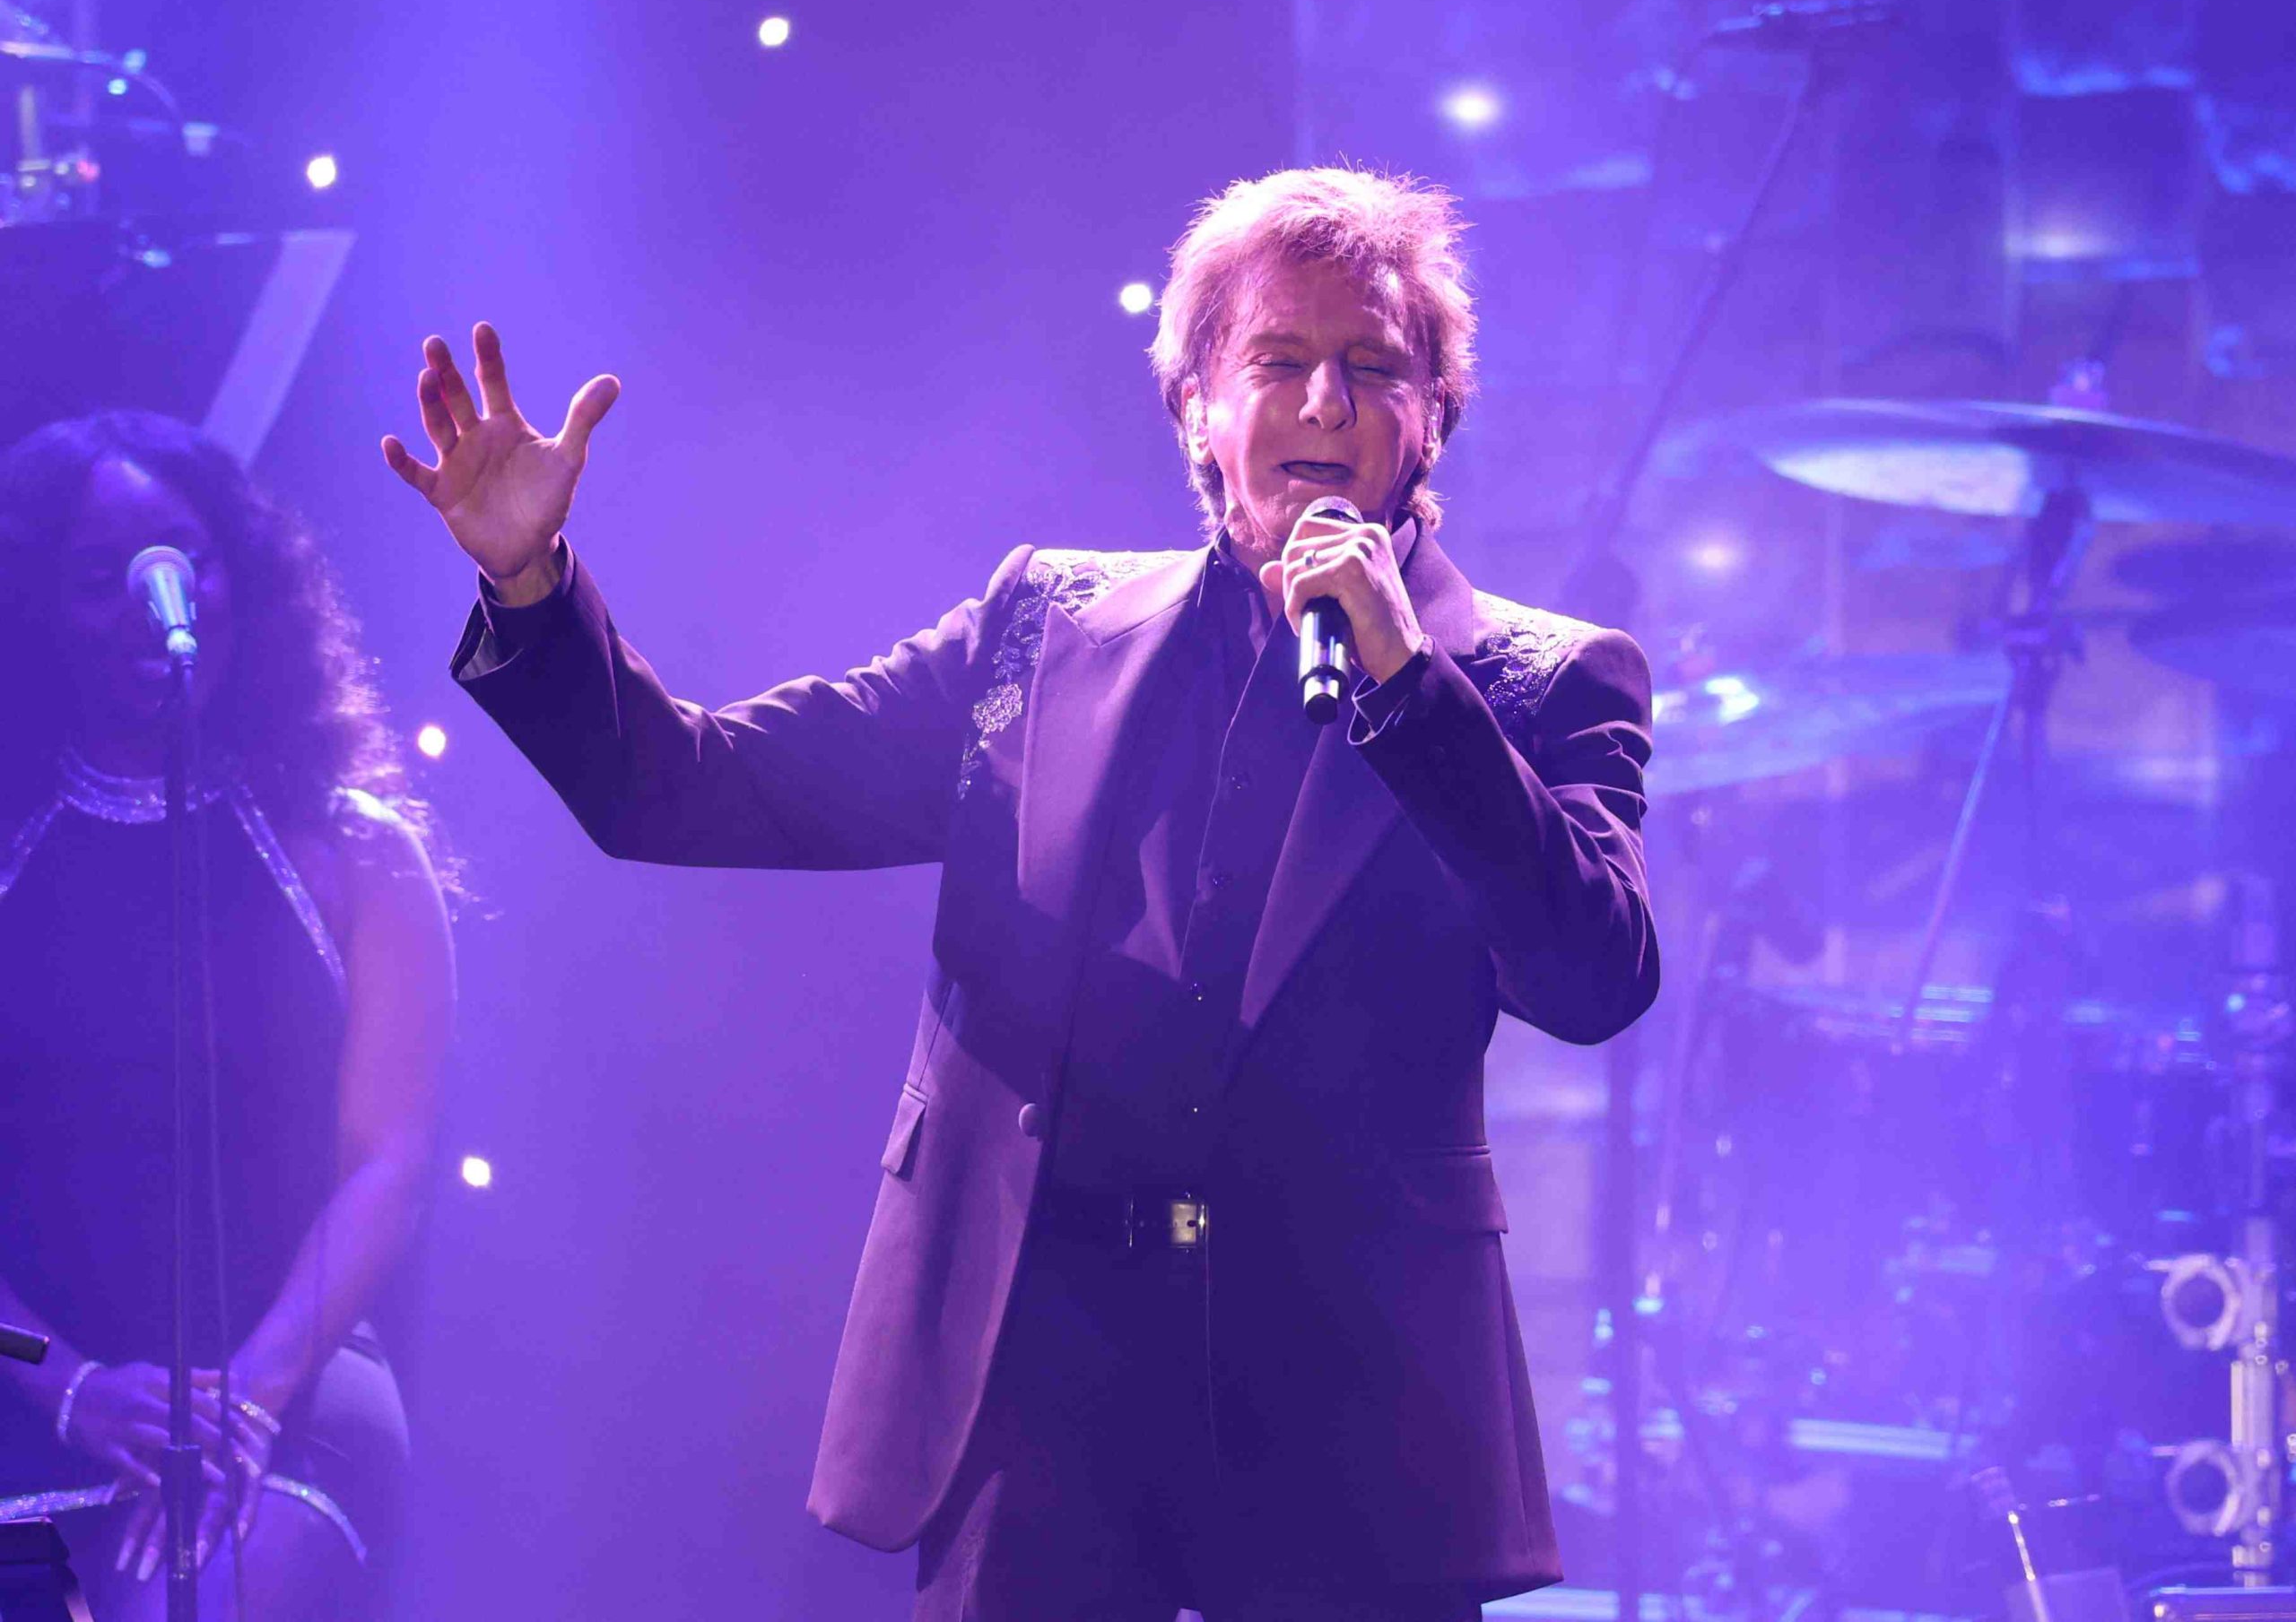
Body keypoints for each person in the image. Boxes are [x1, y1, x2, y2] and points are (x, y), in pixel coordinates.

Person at [385, 166, 1657, 1619]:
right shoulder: (1039, 630)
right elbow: (680, 786)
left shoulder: (1541, 681)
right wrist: (533, 589)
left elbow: (1593, 975)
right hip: (1040, 1392)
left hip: (1350, 1415)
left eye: (1373, 368)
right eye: (1279, 362)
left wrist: (1411, 697)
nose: (1324, 404)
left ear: (1434, 415)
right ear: (1194, 405)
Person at [0, 412, 453, 1620]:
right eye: (100, 581)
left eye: (183, 558)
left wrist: (243, 1399)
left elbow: (387, 1168)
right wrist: (69, 1386)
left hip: (285, 1391)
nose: (155, 602)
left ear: (239, 577)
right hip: (30, 1385)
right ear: (36, 612)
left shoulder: (358, 851)